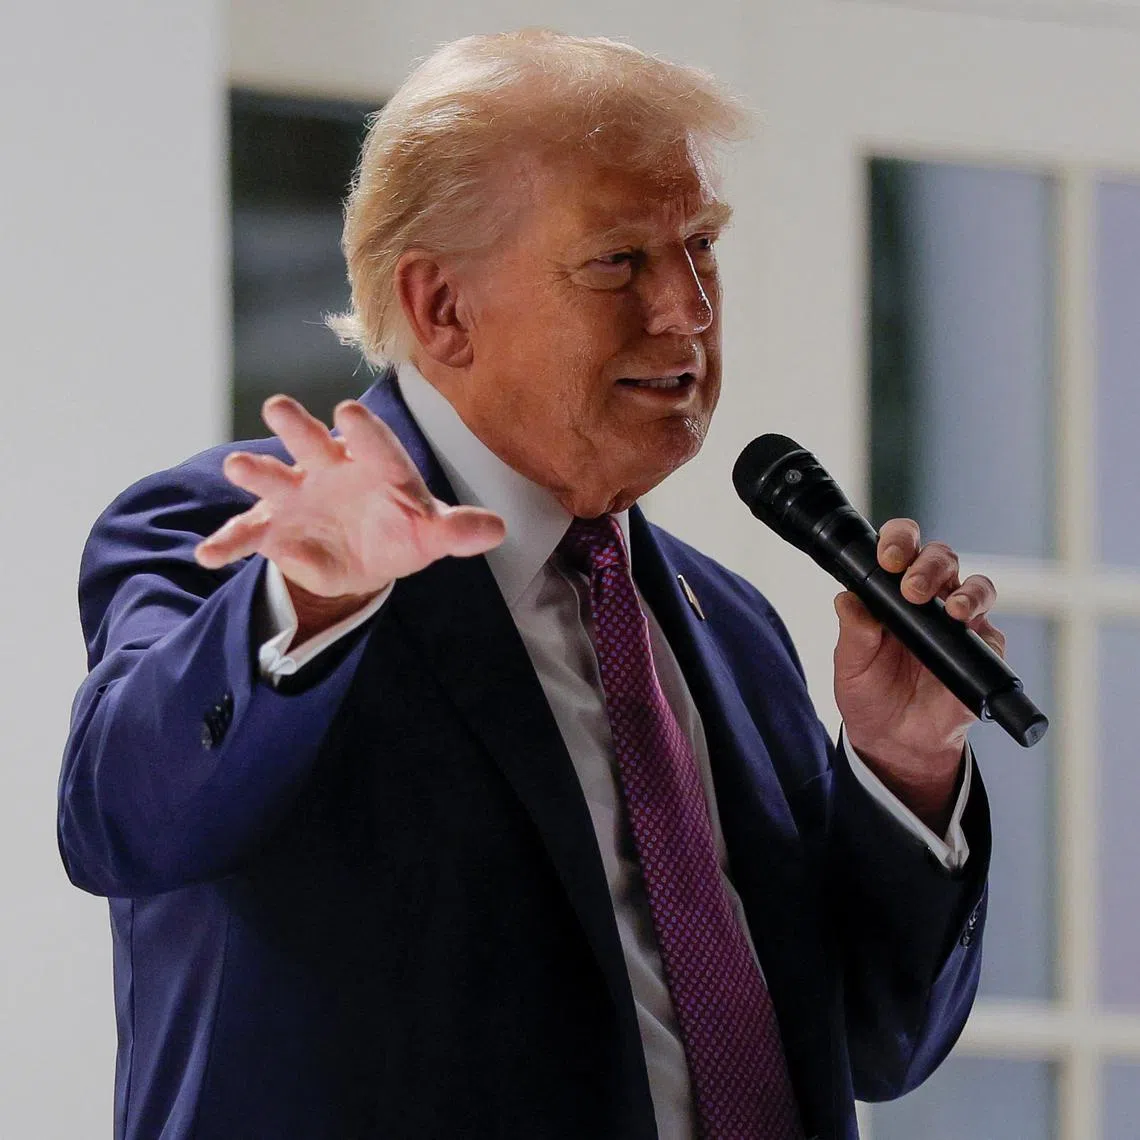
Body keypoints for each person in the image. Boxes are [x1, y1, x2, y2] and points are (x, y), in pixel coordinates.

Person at [59, 29, 997, 1140]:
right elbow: (122, 822)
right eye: (619, 262)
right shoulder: (238, 536)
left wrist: (906, 768)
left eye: (700, 246)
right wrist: (305, 609)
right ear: (443, 307)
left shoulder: (730, 626)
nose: (688, 311)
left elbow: (879, 1045)